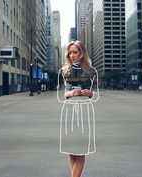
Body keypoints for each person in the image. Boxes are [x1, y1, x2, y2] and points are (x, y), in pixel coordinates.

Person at [57, 40, 99, 177]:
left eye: (75, 52)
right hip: (69, 111)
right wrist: (70, 93)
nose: (72, 55)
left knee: (81, 152)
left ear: (82, 53)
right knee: (71, 151)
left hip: (85, 111)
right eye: (70, 53)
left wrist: (90, 93)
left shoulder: (92, 71)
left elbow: (96, 96)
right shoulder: (64, 71)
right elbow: (60, 96)